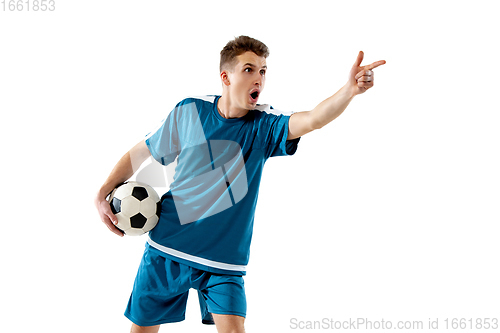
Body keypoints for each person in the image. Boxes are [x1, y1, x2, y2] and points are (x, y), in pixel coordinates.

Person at [94, 35, 385, 333]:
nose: (258, 77)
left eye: (263, 70)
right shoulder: (190, 111)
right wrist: (104, 191)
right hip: (167, 247)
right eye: (249, 69)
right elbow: (141, 152)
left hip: (223, 265)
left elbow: (312, 120)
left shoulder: (264, 126)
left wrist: (349, 91)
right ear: (226, 77)